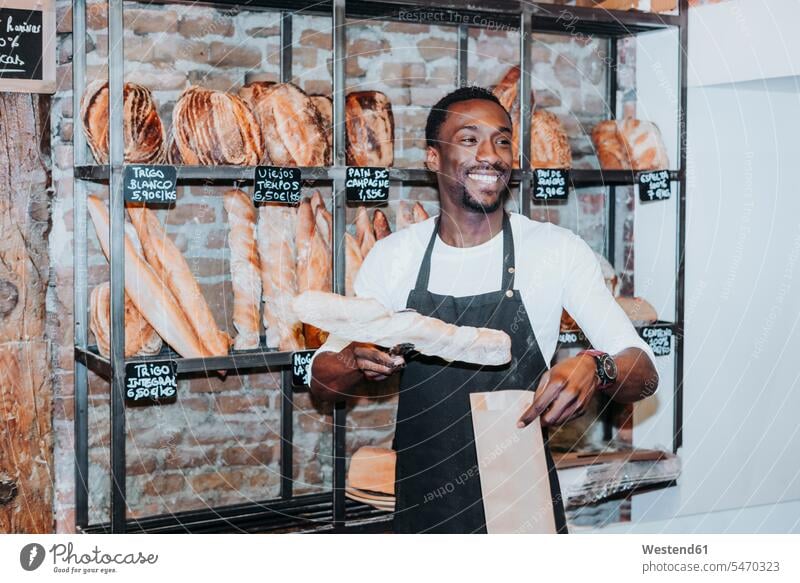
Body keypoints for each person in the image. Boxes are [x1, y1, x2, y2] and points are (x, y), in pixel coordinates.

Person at [309, 86, 659, 534]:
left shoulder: (554, 251)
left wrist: (599, 367)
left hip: (521, 504)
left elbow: (645, 372)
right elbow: (323, 381)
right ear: (433, 158)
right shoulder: (394, 257)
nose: (490, 155)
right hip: (421, 505)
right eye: (469, 139)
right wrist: (353, 359)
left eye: (502, 139)